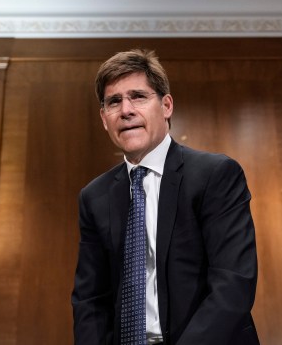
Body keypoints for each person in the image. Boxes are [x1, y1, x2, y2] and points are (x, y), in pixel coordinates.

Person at [72, 49, 259, 345]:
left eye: (139, 96)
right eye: (114, 101)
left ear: (166, 105)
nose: (126, 110)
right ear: (104, 118)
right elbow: (90, 301)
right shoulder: (94, 197)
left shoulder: (216, 175)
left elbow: (233, 285)